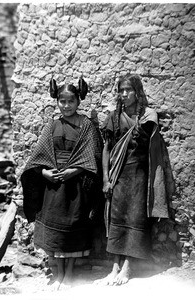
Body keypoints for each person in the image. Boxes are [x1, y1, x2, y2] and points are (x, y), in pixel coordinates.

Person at [21, 76, 103, 290]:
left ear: (78, 102)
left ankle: (69, 275)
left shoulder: (86, 126)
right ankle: (57, 274)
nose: (66, 106)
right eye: (62, 101)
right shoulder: (52, 125)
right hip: (54, 187)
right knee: (55, 233)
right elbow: (39, 155)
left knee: (72, 228)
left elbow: (92, 156)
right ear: (56, 101)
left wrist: (72, 171)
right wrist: (46, 173)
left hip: (75, 187)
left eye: (70, 102)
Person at [95, 74, 174, 286]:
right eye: (121, 90)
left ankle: (127, 268)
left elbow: (151, 149)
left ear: (137, 92)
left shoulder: (148, 116)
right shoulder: (113, 117)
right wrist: (105, 178)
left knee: (135, 219)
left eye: (128, 90)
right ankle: (114, 267)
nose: (124, 94)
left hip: (139, 176)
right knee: (115, 219)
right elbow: (107, 149)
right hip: (117, 175)